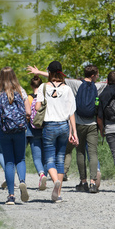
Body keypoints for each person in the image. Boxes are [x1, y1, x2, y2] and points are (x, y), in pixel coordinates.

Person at [28, 64, 115, 192]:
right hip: (92, 124)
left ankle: (83, 182)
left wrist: (38, 72)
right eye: (98, 74)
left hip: (78, 123)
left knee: (80, 153)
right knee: (93, 153)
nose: (98, 76)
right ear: (94, 76)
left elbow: (57, 77)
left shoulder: (75, 84)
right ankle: (93, 182)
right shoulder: (98, 86)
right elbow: (111, 82)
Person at [35, 61, 78, 202]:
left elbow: (37, 107)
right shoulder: (67, 89)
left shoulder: (43, 87)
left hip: (49, 126)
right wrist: (74, 133)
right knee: (60, 158)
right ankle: (58, 194)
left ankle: (55, 182)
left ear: (49, 72)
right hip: (64, 126)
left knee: (48, 160)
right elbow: (71, 112)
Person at [0, 67, 31, 205]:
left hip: (3, 130)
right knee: (20, 159)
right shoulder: (21, 91)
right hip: (19, 130)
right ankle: (22, 182)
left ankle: (11, 196)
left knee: (9, 161)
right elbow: (28, 112)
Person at [27, 76, 48, 190]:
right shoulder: (45, 97)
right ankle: (45, 177)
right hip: (45, 128)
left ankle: (41, 174)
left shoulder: (29, 98)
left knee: (36, 157)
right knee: (46, 156)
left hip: (32, 130)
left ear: (31, 85)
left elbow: (27, 113)